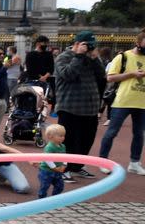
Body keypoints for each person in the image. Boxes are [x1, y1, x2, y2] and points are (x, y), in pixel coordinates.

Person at [54, 31, 107, 182]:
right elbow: (68, 74)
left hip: (90, 108)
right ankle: (63, 168)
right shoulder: (63, 57)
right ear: (77, 44)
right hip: (70, 106)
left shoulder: (91, 58)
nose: (89, 48)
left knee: (86, 140)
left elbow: (102, 75)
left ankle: (77, 166)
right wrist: (78, 56)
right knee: (67, 140)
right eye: (86, 45)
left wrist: (95, 59)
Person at [98, 31, 145, 176]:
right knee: (112, 132)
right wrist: (132, 74)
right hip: (123, 101)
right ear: (139, 42)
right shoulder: (123, 56)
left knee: (139, 134)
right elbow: (110, 78)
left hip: (142, 102)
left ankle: (134, 163)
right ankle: (103, 161)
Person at [38, 124, 66, 199]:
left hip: (58, 170)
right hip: (46, 171)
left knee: (60, 186)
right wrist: (54, 168)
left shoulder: (62, 146)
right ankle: (41, 200)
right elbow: (47, 159)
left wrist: (64, 165)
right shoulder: (49, 147)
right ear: (51, 136)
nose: (63, 138)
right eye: (60, 136)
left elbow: (65, 157)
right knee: (44, 186)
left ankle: (54, 199)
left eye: (63, 135)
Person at [26, 35, 54, 104]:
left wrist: (45, 77)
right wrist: (40, 77)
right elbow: (30, 69)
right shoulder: (30, 54)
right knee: (33, 100)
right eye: (44, 43)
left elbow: (51, 68)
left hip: (47, 80)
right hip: (33, 80)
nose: (46, 45)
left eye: (47, 43)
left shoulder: (49, 54)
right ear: (38, 43)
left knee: (46, 100)